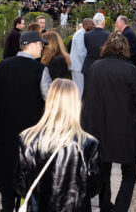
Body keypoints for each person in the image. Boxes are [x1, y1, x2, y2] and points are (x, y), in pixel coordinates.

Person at [81, 33, 136, 212]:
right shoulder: (130, 69)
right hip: (124, 128)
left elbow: (86, 96)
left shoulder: (95, 67)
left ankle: (105, 206)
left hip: (98, 127)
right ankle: (119, 208)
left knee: (104, 171)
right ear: (125, 48)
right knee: (129, 174)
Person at [15, 79, 102, 211]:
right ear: (76, 104)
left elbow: (20, 184)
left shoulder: (29, 139)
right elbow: (95, 186)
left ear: (50, 101)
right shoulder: (87, 143)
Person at [0, 30, 48, 212]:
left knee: (6, 167)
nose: (42, 48)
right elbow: (50, 99)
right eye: (40, 44)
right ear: (31, 45)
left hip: (5, 131)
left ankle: (7, 207)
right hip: (30, 133)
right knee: (28, 171)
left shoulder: (2, 65)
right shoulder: (40, 70)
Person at [69, 18, 93, 97]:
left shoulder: (81, 33)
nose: (93, 26)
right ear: (85, 24)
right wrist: (86, 66)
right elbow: (81, 53)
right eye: (91, 24)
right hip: (78, 67)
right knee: (79, 91)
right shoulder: (81, 34)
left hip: (78, 66)